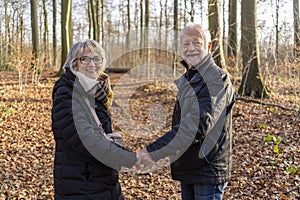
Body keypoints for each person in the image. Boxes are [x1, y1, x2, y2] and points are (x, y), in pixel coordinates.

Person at [137, 23, 235, 199]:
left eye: (197, 43)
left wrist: (154, 151)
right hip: (189, 167)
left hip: (207, 170)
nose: (191, 49)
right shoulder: (189, 79)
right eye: (186, 44)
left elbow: (196, 125)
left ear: (209, 45)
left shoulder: (216, 79)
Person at [51, 39, 137, 199]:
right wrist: (129, 158)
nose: (92, 64)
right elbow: (85, 138)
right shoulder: (66, 92)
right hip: (81, 183)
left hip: (102, 180)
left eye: (97, 59)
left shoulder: (97, 91)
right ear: (74, 63)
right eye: (85, 59)